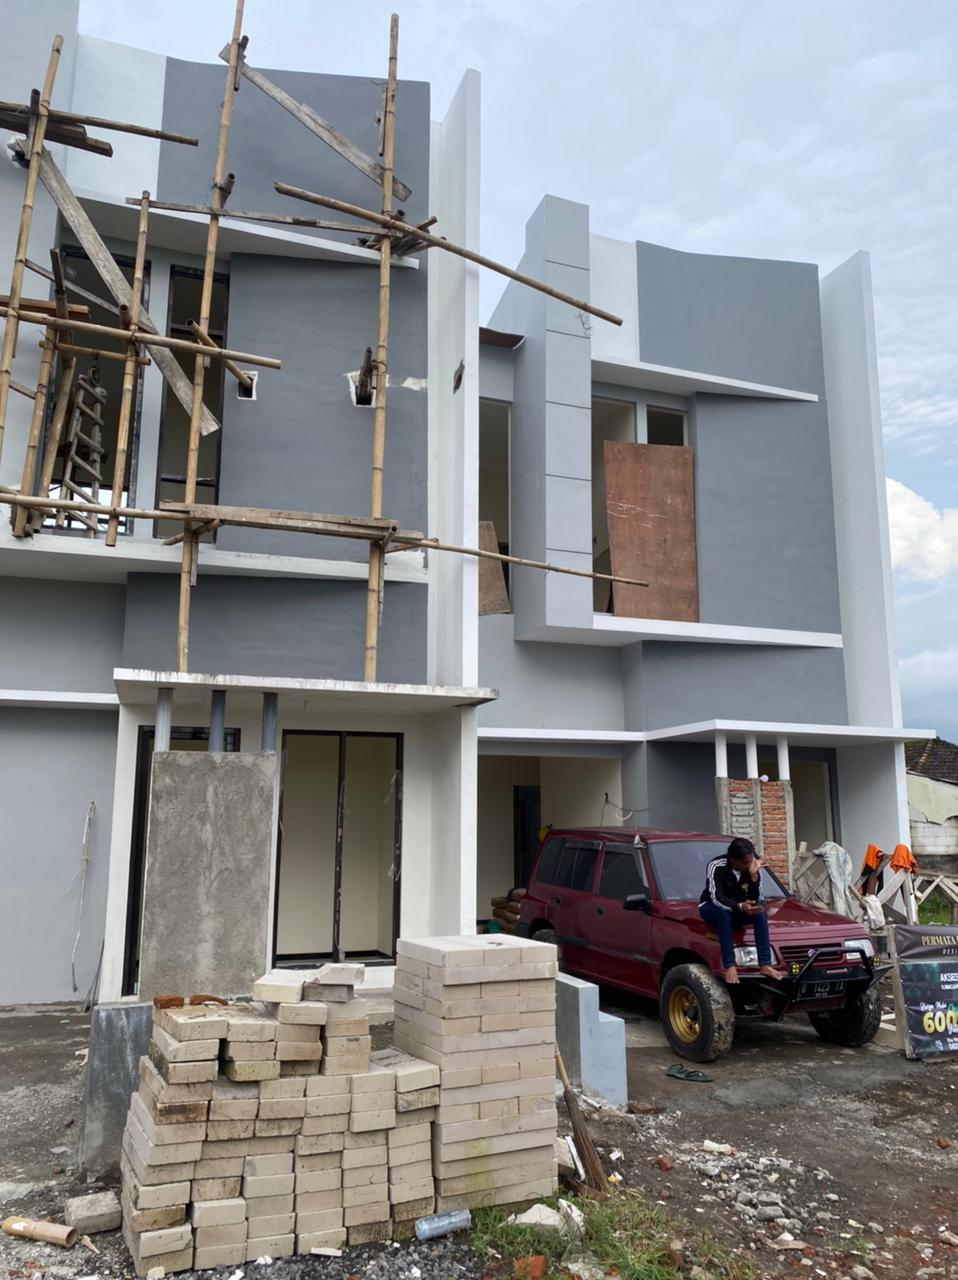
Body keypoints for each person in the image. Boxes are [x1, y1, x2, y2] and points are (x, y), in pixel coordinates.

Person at [699, 837, 782, 985]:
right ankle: (729, 966)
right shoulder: (716, 866)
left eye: (750, 860)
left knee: (760, 914)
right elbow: (716, 897)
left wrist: (754, 877)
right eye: (745, 862)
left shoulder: (752, 866)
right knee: (724, 917)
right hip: (712, 907)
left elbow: (757, 898)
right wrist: (739, 906)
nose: (748, 864)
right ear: (733, 860)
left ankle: (765, 964)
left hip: (739, 908)